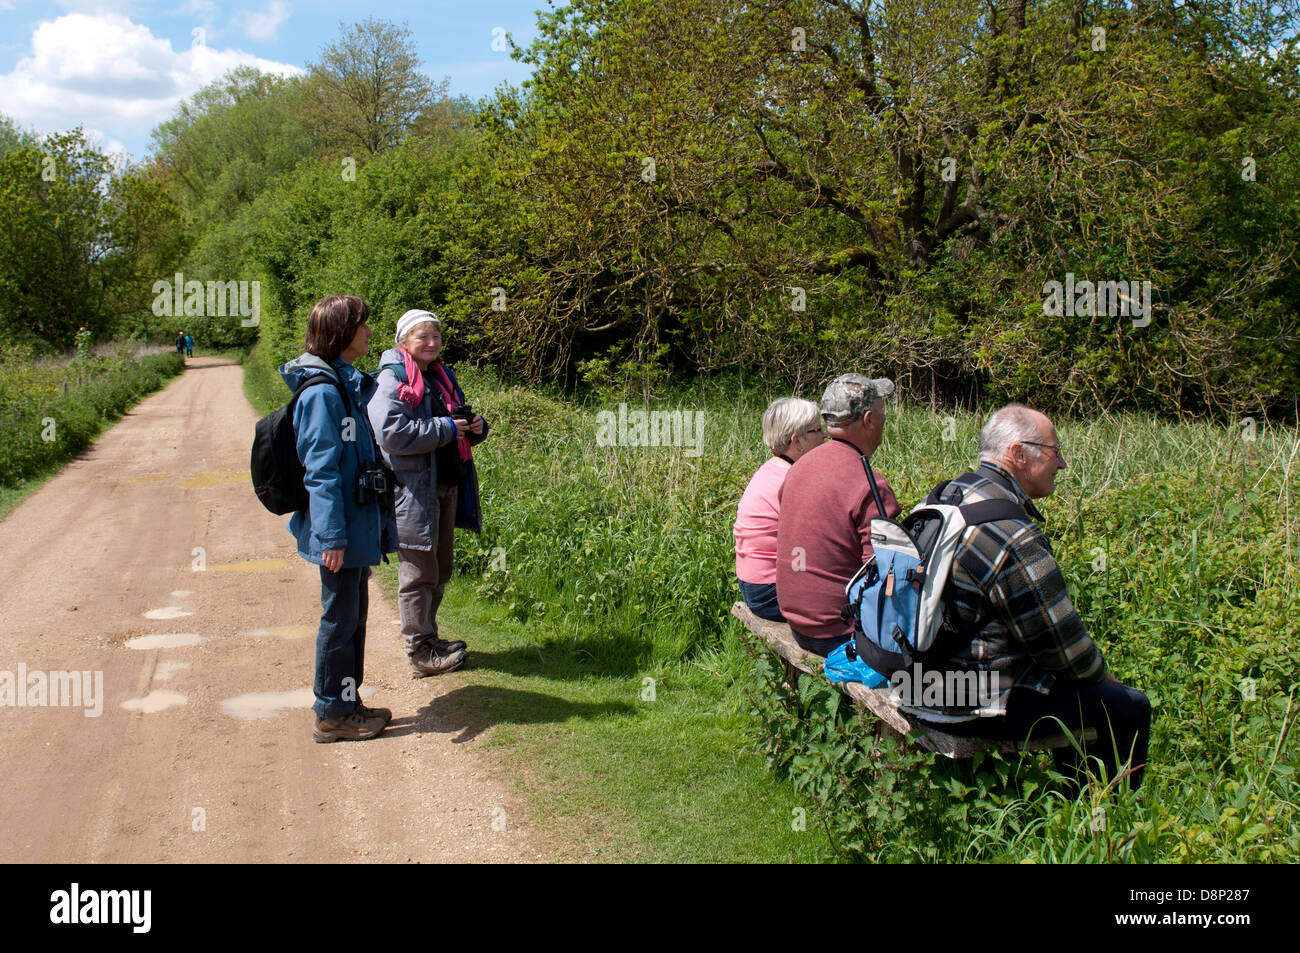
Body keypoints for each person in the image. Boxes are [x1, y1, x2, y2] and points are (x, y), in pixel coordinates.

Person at [919, 403, 1151, 790]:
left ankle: (1071, 800)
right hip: (969, 696)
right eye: (1055, 451)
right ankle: (1101, 815)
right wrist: (1104, 679)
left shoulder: (949, 494)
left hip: (923, 678)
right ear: (1018, 454)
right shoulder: (1012, 533)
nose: (1062, 464)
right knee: (1129, 706)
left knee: (1074, 690)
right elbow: (1062, 648)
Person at [280, 294, 397, 743]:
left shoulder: (341, 382)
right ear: (341, 332)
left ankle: (347, 703)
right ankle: (331, 714)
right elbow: (321, 471)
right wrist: (331, 537)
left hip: (353, 525)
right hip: (341, 531)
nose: (369, 332)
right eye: (363, 326)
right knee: (339, 621)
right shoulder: (324, 392)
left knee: (354, 618)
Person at [367, 309, 489, 678]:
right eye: (423, 337)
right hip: (414, 492)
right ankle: (419, 651)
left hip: (447, 485)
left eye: (436, 336)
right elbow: (391, 432)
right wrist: (447, 427)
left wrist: (477, 428)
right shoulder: (394, 378)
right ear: (403, 340)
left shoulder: (441, 376)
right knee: (419, 572)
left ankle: (430, 639)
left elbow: (455, 425)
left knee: (441, 568)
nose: (432, 343)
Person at [775, 373, 901, 657]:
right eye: (882, 411)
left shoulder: (799, 467)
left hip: (797, 622)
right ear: (868, 420)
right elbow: (886, 576)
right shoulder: (868, 483)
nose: (885, 419)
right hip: (838, 632)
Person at [733, 397, 823, 622]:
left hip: (754, 585)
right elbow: (813, 546)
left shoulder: (771, 469)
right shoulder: (793, 480)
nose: (825, 436)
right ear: (797, 441)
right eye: (818, 430)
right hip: (771, 593)